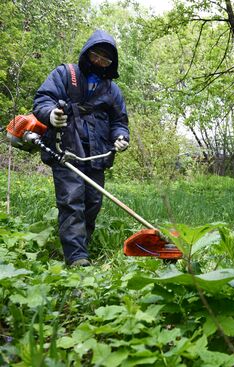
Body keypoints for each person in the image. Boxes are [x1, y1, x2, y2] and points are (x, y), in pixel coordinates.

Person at [33, 30, 130, 267]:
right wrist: (51, 114)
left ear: (112, 63)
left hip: (97, 154)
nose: (99, 62)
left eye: (106, 60)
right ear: (87, 53)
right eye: (96, 56)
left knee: (92, 202)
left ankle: (80, 244)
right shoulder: (66, 74)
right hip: (65, 149)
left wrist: (120, 136)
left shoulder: (112, 90)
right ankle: (76, 257)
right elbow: (42, 100)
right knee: (71, 200)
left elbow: (120, 121)